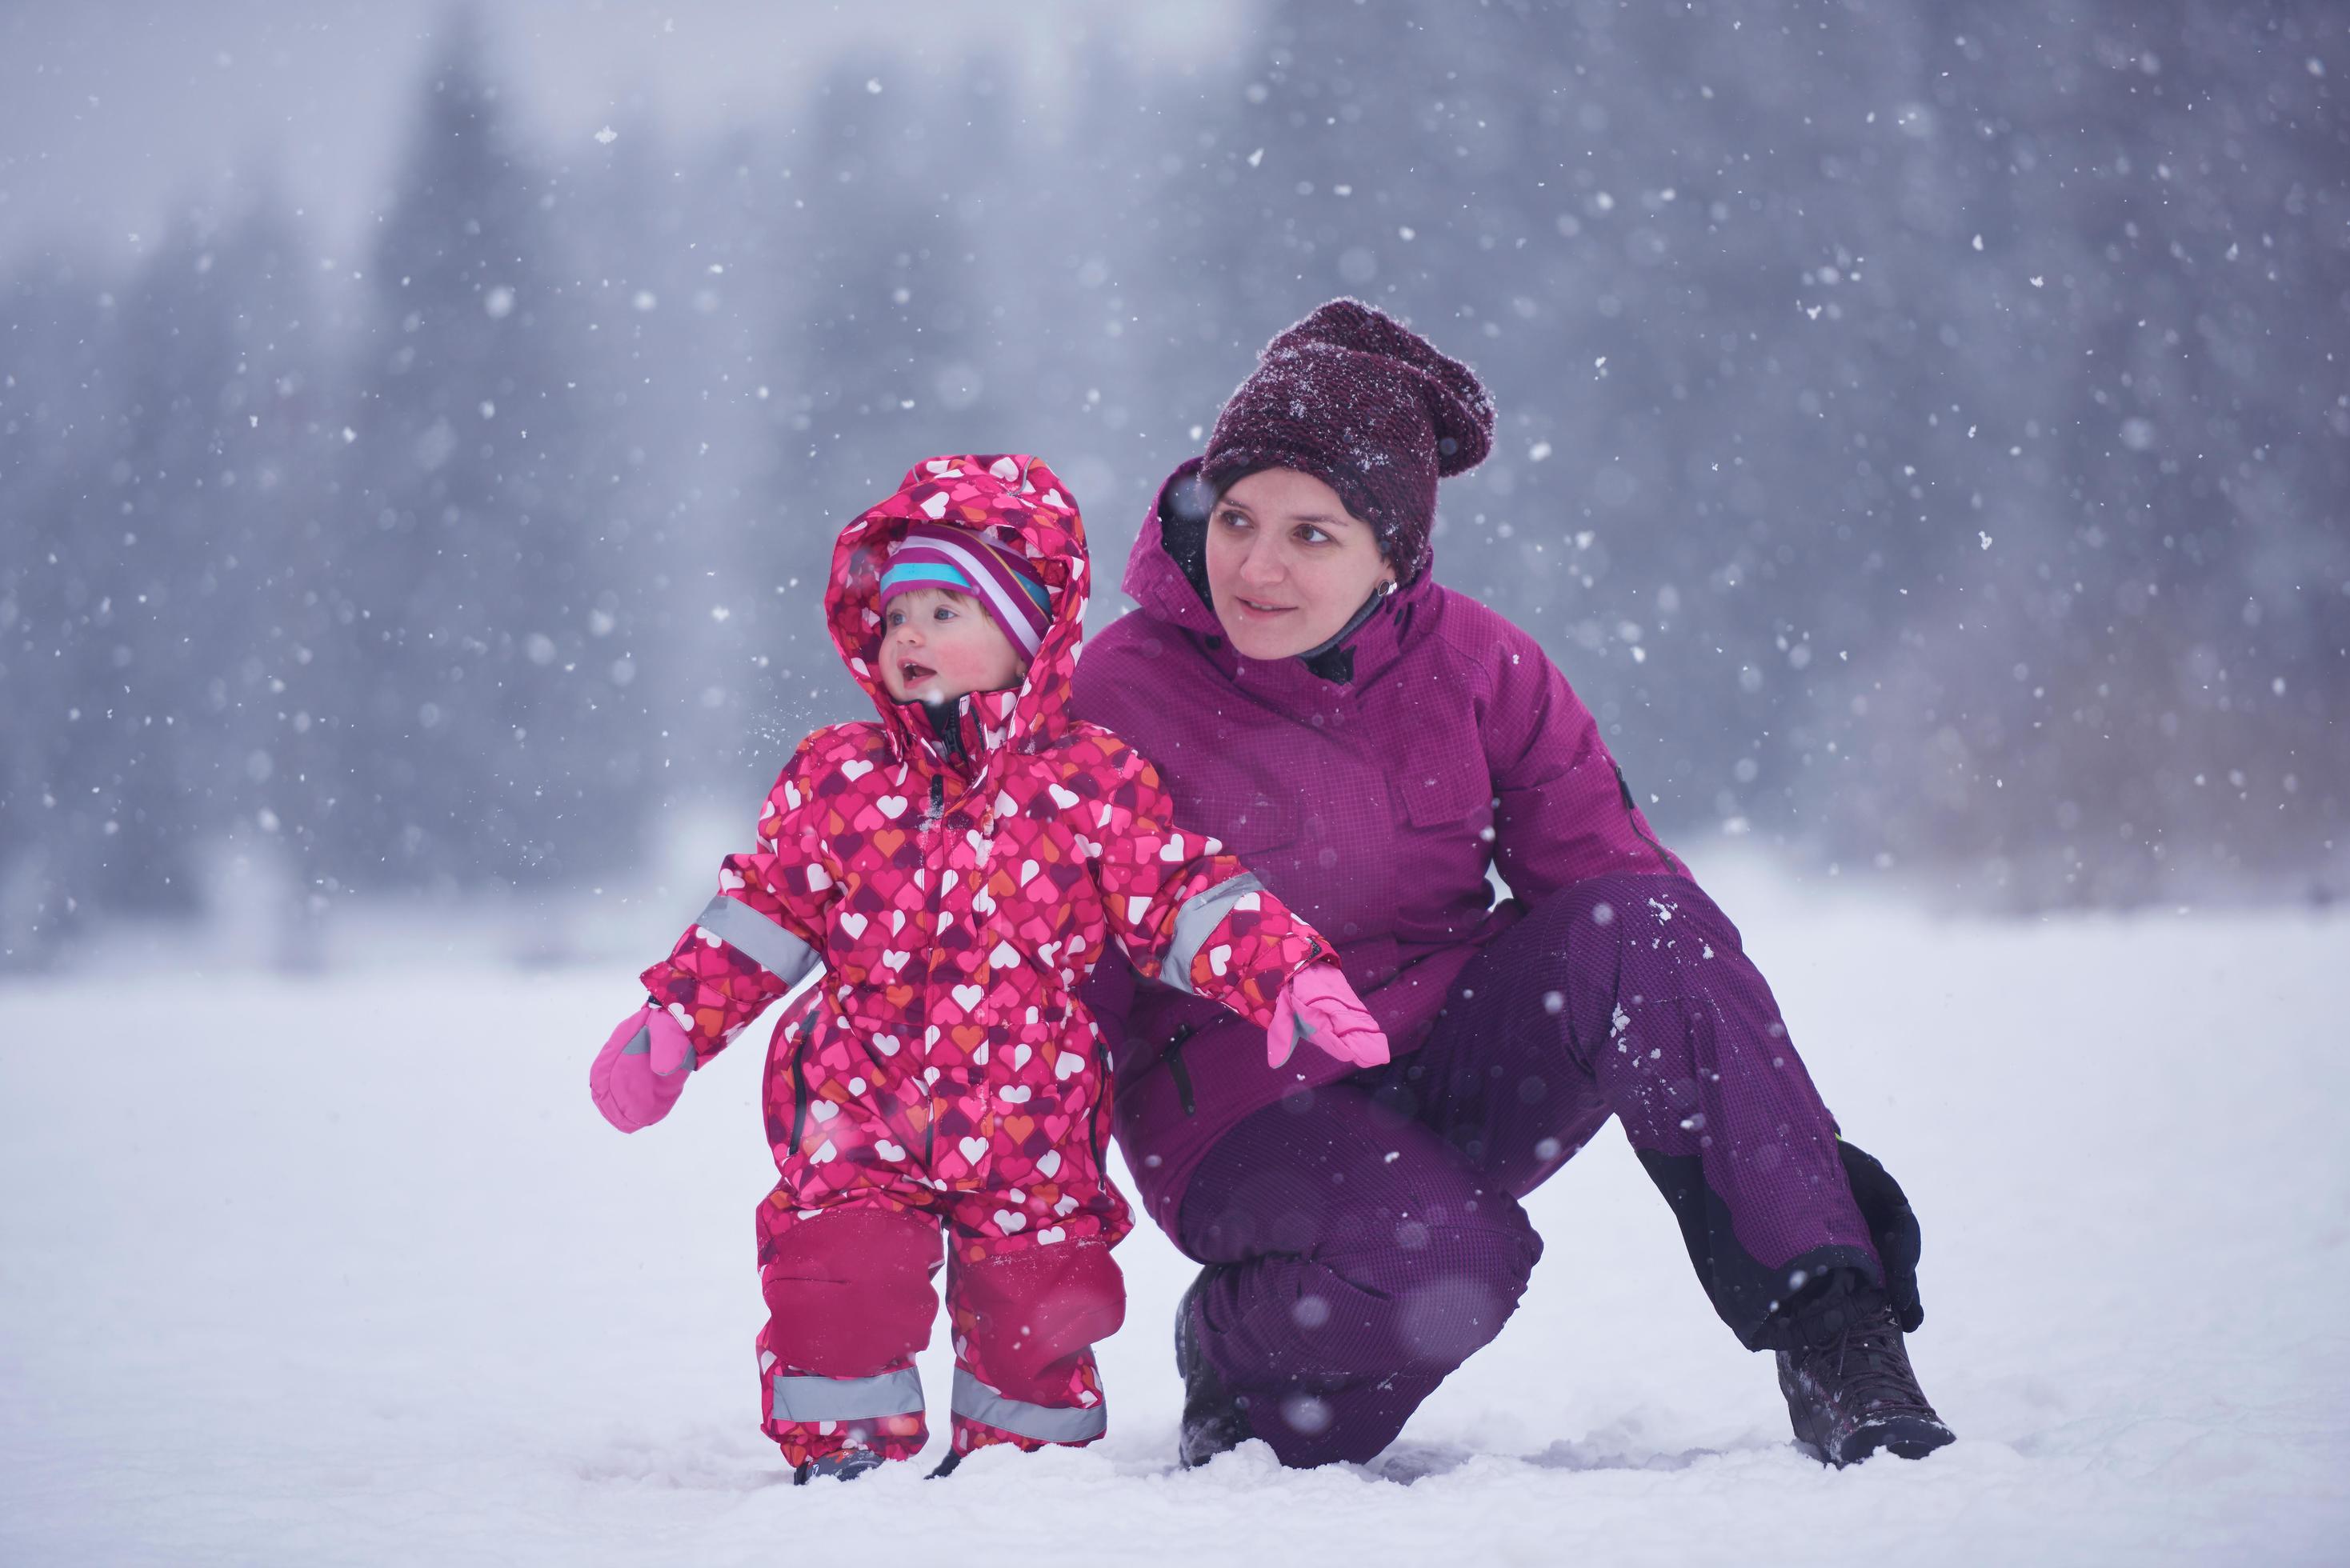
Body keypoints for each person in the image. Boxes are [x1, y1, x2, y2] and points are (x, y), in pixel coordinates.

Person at [1071, 302, 1953, 1470]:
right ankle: (1237, 1356)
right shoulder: (1118, 689)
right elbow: (1058, 960)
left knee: (1652, 928)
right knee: (1445, 1277)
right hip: (1246, 1105)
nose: (1257, 565)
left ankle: (1840, 1343)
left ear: (1393, 553)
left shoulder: (1482, 664)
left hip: (1451, 1060)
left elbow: (1628, 904)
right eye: (1236, 519)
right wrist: (1008, 1181)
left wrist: (1791, 1155)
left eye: (1312, 535)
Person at [586, 454, 1390, 1483]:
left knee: (1041, 1303)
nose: (908, 635)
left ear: (1027, 638)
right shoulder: (838, 779)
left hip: (1032, 1120)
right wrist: (671, 1025)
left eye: (944, 611)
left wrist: (1285, 974)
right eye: (896, 614)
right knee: (836, 1277)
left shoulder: (1088, 783)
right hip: (857, 1108)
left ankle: (1026, 1468)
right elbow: (762, 915)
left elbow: (1179, 895)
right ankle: (843, 1455)